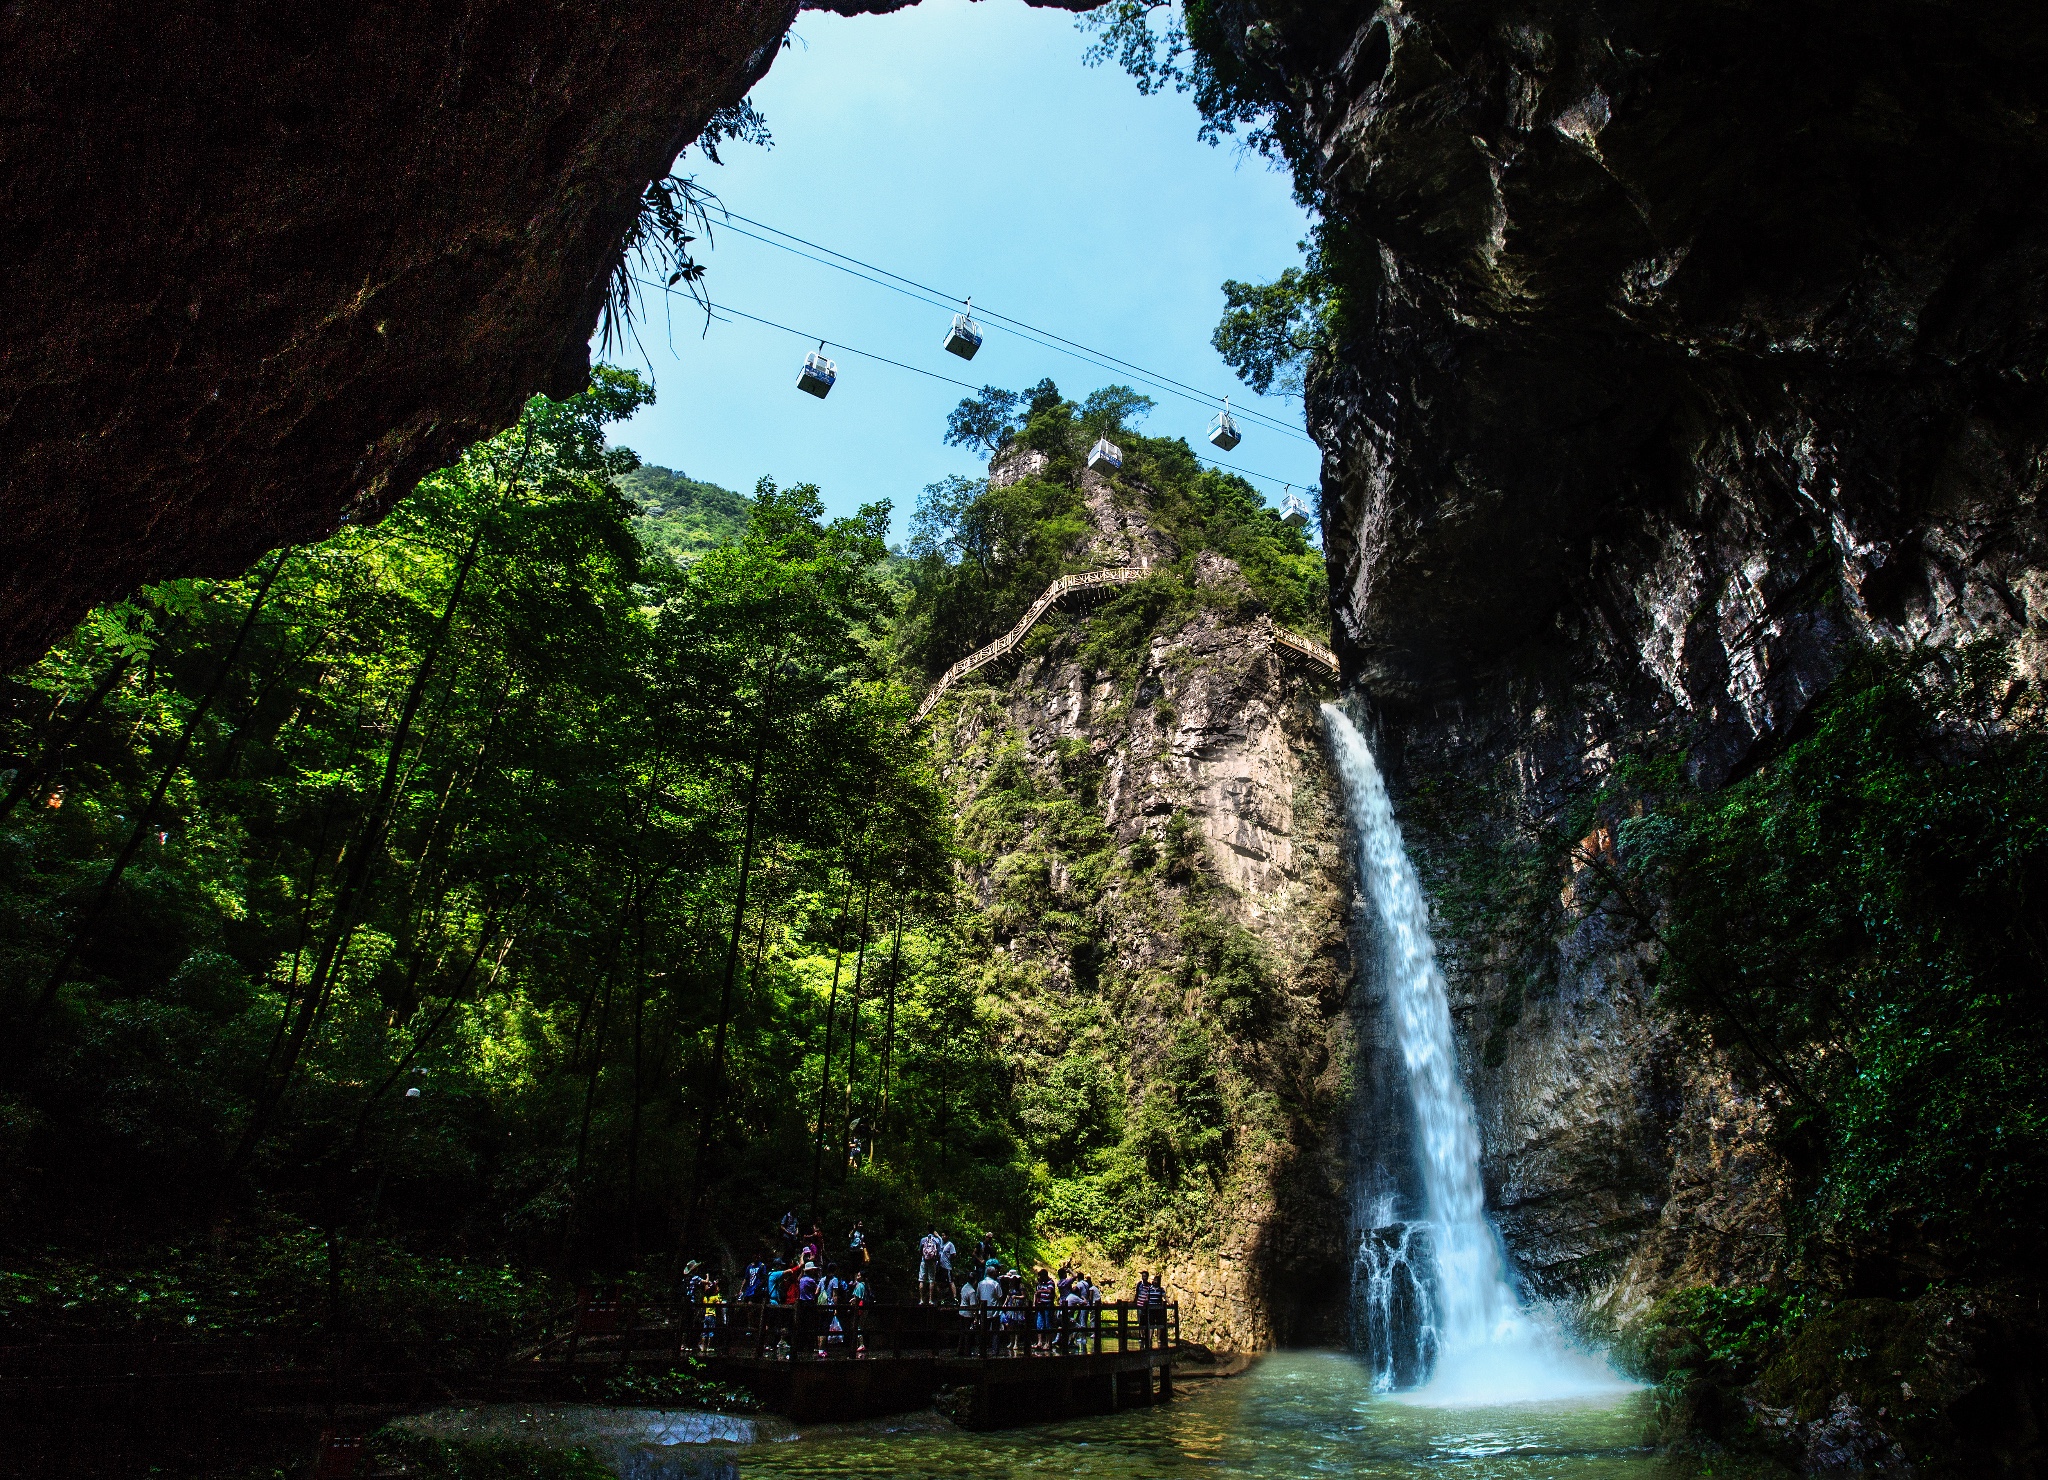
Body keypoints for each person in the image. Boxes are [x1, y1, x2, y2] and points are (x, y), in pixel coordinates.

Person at [956, 1266, 983, 1355]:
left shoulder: (964, 1287)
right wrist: (976, 1317)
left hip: (961, 1312)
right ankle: (967, 1351)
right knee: (968, 1333)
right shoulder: (971, 1291)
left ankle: (960, 1349)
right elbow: (973, 1305)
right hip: (968, 1314)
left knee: (962, 1332)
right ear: (975, 1280)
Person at [917, 1227, 944, 1304]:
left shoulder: (923, 1240)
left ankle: (921, 1300)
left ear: (927, 1231)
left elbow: (920, 1251)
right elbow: (939, 1252)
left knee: (921, 1279)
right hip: (932, 1262)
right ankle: (930, 1300)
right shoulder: (936, 1240)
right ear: (933, 1231)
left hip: (924, 1261)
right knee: (931, 1280)